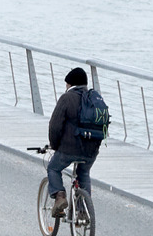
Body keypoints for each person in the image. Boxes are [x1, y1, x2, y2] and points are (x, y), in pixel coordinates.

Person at [45, 66, 110, 200]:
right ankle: (83, 211)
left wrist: (55, 145)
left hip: (69, 149)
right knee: (84, 172)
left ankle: (60, 196)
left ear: (70, 83)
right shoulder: (95, 99)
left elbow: (55, 126)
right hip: (91, 150)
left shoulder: (67, 98)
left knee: (53, 168)